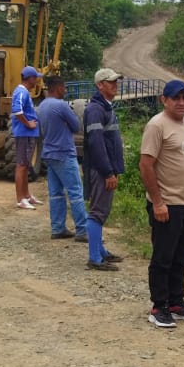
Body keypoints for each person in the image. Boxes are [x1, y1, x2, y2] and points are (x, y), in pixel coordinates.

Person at [139, 79, 184, 328]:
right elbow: (146, 165)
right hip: (167, 205)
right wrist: (158, 203)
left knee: (181, 255)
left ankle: (176, 303)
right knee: (163, 257)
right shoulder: (156, 126)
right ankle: (159, 306)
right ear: (164, 100)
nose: (181, 102)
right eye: (176, 98)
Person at [36, 76, 94, 248]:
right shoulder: (61, 106)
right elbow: (76, 126)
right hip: (64, 153)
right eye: (64, 87)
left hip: (49, 153)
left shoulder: (42, 105)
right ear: (58, 87)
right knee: (75, 191)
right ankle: (82, 230)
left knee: (56, 193)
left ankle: (58, 228)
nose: (66, 90)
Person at [81, 68, 126, 270]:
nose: (115, 85)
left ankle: (100, 252)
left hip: (106, 169)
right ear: (100, 85)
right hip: (101, 171)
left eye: (116, 81)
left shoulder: (105, 107)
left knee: (102, 210)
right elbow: (96, 144)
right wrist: (108, 172)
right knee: (98, 212)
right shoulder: (95, 110)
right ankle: (95, 259)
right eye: (111, 82)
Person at [11, 66, 44, 210]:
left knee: (26, 165)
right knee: (22, 165)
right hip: (24, 133)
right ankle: (21, 199)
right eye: (35, 78)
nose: (37, 81)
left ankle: (27, 195)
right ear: (30, 78)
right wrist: (28, 123)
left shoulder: (24, 92)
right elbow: (17, 111)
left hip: (29, 134)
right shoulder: (21, 92)